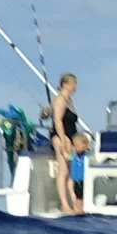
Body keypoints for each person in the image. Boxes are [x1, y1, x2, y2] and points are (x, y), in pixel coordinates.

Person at [49, 73, 84, 216]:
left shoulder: (69, 101)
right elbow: (57, 120)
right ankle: (64, 204)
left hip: (71, 137)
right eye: (72, 84)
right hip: (61, 137)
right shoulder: (60, 100)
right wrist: (63, 139)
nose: (75, 87)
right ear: (65, 85)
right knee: (63, 171)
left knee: (71, 173)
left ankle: (75, 202)